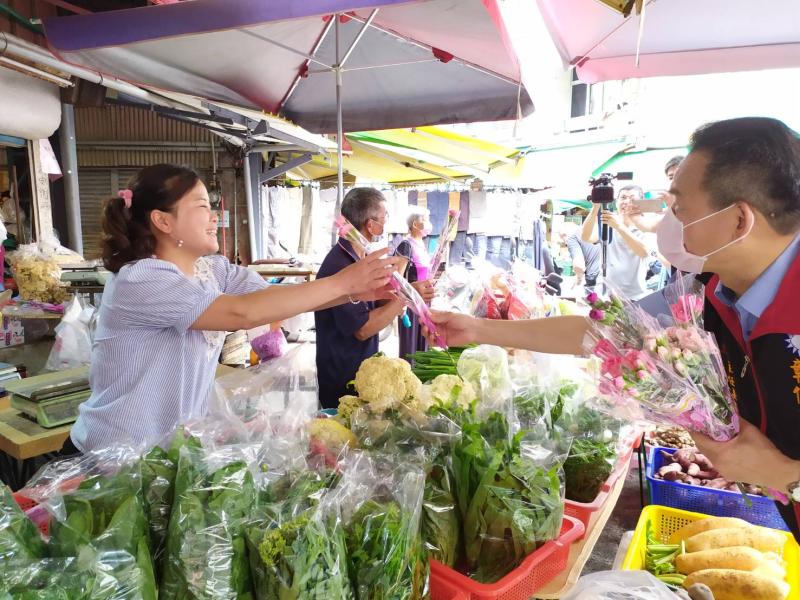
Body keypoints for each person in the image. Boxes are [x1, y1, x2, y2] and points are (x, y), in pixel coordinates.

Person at [429, 117, 800, 541]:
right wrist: (477, 329)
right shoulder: (709, 295)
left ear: (738, 221)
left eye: (678, 207)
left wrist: (787, 476)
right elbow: (600, 334)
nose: (668, 220)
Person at [67, 164, 396, 455]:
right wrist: (342, 283)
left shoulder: (212, 271)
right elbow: (242, 312)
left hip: (168, 453)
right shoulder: (141, 279)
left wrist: (357, 290)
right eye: (201, 206)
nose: (214, 217)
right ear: (162, 221)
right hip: (113, 455)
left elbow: (272, 298)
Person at [315, 188, 433, 409]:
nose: (386, 221)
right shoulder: (340, 265)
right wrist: (405, 298)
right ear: (370, 225)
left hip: (361, 368)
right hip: (342, 378)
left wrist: (410, 289)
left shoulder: (361, 255)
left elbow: (373, 302)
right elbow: (363, 328)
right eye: (384, 216)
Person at [581, 185, 654, 300]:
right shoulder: (608, 224)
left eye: (632, 198)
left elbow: (644, 252)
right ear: (616, 202)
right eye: (623, 197)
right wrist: (595, 207)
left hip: (634, 297)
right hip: (605, 295)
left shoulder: (645, 226)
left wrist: (619, 227)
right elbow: (586, 237)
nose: (626, 201)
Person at [394, 206, 435, 361]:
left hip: (425, 302)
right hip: (410, 303)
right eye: (424, 220)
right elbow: (397, 277)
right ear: (414, 224)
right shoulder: (406, 245)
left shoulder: (423, 245)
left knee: (423, 341)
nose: (427, 223)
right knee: (410, 346)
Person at [559, 222, 600, 287]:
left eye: (562, 237)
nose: (564, 241)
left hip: (593, 277)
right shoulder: (590, 231)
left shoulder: (572, 239)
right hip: (607, 274)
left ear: (565, 235)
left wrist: (578, 279)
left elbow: (579, 266)